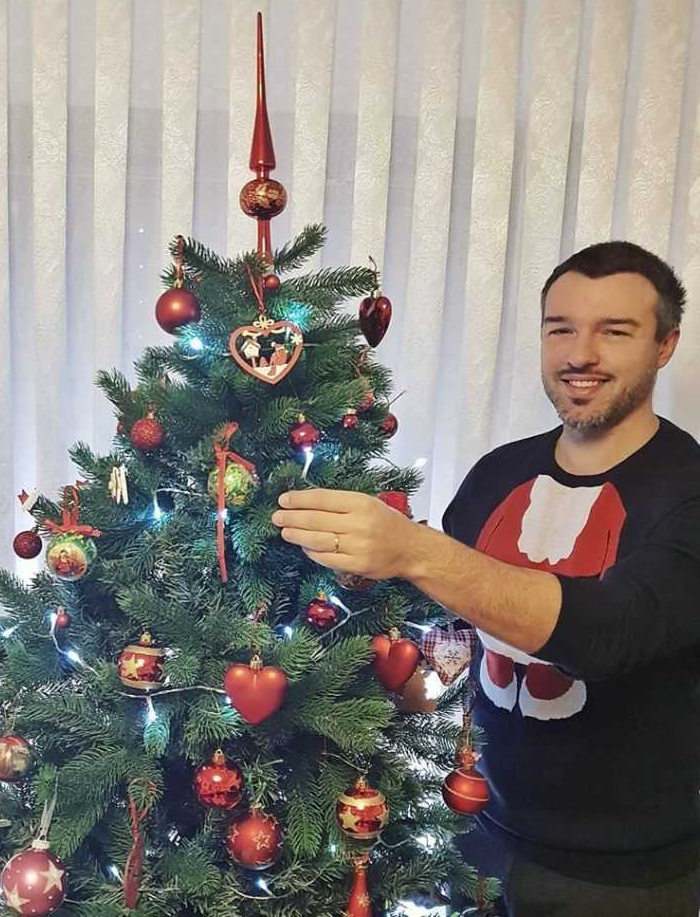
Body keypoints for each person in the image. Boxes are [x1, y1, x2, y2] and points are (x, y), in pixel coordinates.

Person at [272, 241, 700, 915]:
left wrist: (414, 550)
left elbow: (609, 631)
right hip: (476, 833)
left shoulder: (687, 490)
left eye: (614, 332)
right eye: (560, 329)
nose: (580, 354)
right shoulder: (498, 474)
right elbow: (456, 636)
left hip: (620, 875)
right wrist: (355, 695)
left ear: (665, 344)